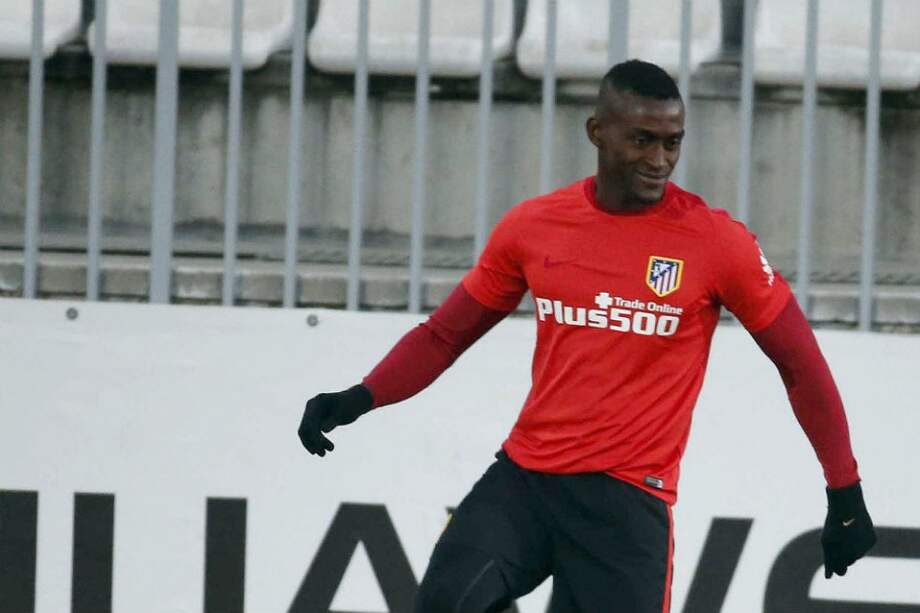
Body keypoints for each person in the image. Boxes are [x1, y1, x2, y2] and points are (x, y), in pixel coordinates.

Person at [297, 59, 876, 612]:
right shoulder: (534, 226)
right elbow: (444, 336)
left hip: (626, 504)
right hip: (526, 481)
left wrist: (843, 491)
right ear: (597, 132)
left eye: (672, 142)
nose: (659, 159)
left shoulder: (716, 243)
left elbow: (801, 365)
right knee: (444, 602)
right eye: (642, 140)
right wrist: (361, 397)